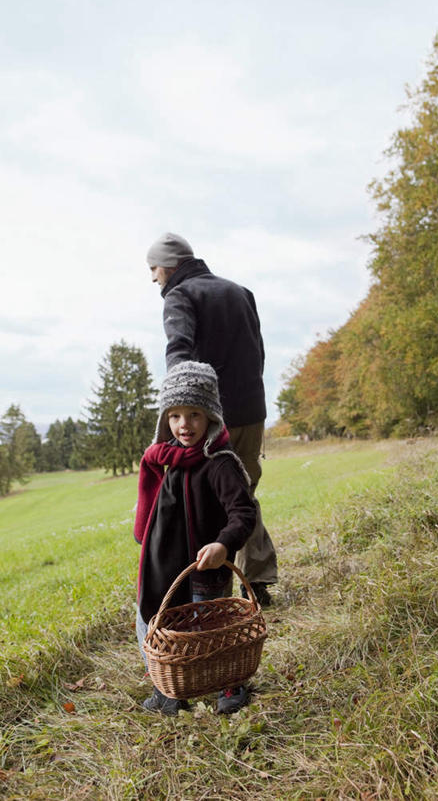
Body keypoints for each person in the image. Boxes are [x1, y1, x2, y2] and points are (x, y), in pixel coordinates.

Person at [146, 232, 277, 605]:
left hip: (210, 416)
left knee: (207, 500)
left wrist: (178, 405)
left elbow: (178, 351)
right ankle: (258, 580)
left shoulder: (180, 295)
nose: (153, 278)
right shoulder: (240, 291)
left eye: (153, 269)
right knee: (242, 493)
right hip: (252, 409)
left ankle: (207, 594)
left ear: (167, 266)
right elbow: (259, 352)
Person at [133, 361, 257, 715]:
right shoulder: (169, 459)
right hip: (170, 565)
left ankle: (229, 684)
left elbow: (243, 513)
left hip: (205, 567)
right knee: (165, 625)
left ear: (211, 417)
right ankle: (171, 689)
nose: (184, 424)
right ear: (165, 420)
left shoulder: (219, 463)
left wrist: (223, 543)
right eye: (174, 416)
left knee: (212, 630)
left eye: (194, 414)